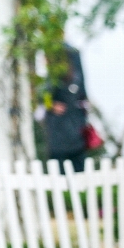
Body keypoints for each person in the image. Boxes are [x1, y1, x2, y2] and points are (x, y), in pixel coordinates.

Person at [43, 43, 90, 172]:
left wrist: (50, 106)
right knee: (64, 162)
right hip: (64, 127)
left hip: (70, 126)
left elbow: (43, 96)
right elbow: (43, 97)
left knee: (71, 161)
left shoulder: (68, 76)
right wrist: (51, 106)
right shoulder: (55, 78)